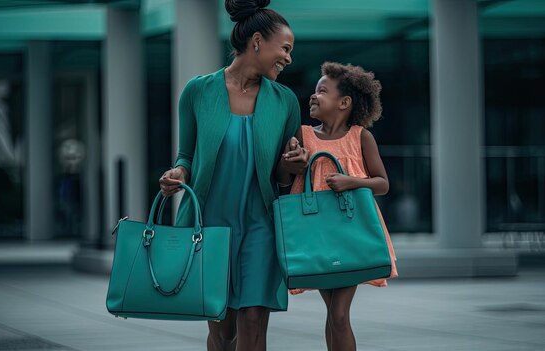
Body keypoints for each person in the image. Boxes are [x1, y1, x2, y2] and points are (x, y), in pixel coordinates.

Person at [158, 1, 307, 350]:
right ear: (257, 41)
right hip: (209, 223)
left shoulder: (285, 101)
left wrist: (293, 164)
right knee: (222, 330)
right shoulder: (198, 91)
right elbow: (187, 155)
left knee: (254, 321)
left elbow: (282, 178)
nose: (288, 58)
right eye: (284, 49)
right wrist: (178, 173)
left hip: (261, 224)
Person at [278, 62, 398, 351]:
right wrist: (292, 163)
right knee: (334, 314)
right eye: (314, 91)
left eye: (322, 91)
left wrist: (351, 182)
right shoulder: (302, 134)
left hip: (349, 236)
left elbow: (383, 184)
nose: (313, 96)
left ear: (344, 102)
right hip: (317, 237)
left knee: (340, 314)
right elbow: (283, 180)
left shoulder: (361, 137)